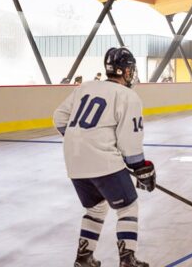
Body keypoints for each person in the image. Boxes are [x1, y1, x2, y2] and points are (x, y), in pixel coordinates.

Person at [53, 47, 153, 267]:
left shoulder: (86, 87)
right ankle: (128, 260)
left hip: (74, 160)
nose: (132, 73)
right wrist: (141, 168)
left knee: (96, 207)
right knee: (128, 206)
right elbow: (130, 142)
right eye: (131, 69)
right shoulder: (128, 96)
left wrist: (82, 141)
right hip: (103, 162)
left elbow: (59, 117)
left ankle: (84, 258)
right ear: (126, 71)